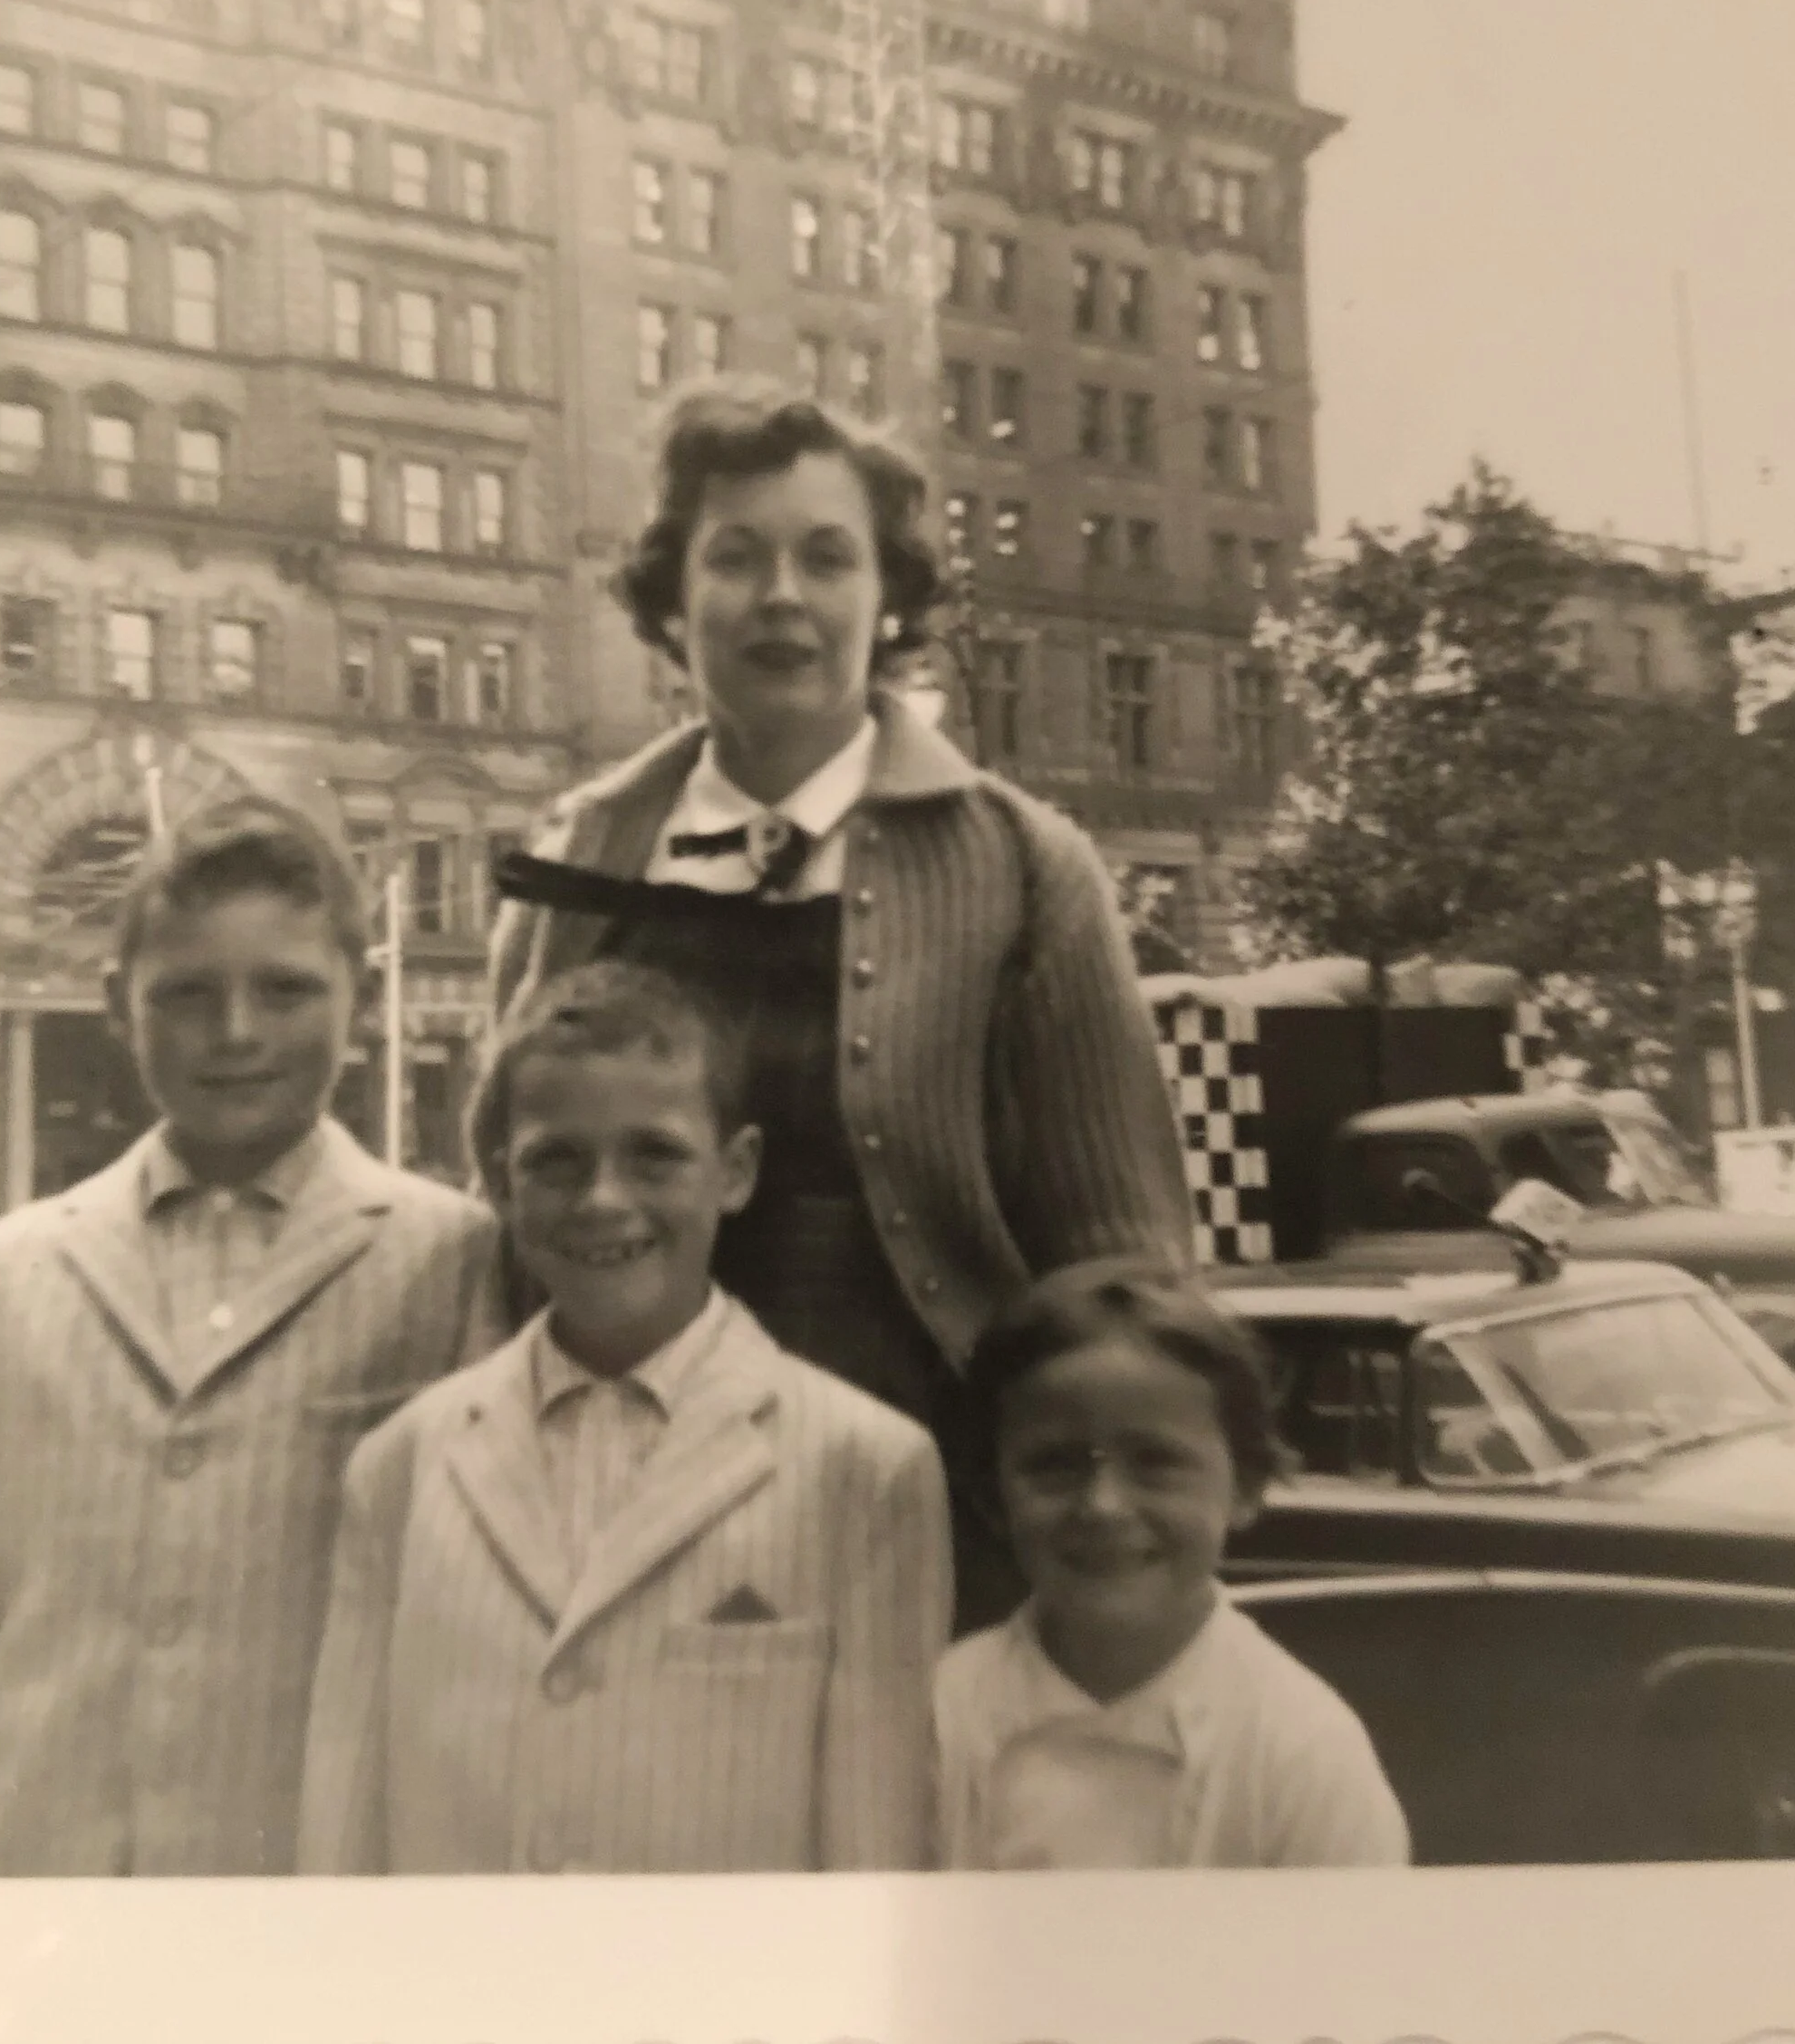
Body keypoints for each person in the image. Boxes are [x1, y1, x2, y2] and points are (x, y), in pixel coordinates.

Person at [491, 378, 1190, 1628]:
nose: (781, 598)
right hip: (618, 1502)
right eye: (734, 557)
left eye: (827, 558)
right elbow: (505, 1212)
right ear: (670, 600)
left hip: (936, 1511)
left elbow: (1122, 1265)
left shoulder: (1023, 865)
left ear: (887, 599)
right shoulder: (580, 854)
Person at [0, 797, 503, 1876]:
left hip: (308, 1901)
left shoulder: (454, 1259)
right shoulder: (1, 1275)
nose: (237, 1033)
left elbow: (481, 1649)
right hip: (35, 1899)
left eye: (286, 990)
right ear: (117, 1008)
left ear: (364, 998)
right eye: (186, 994)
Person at [296, 959, 951, 1873]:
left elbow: (875, 1851)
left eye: (654, 1154)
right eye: (556, 1161)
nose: (604, 1198)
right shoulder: (400, 1465)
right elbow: (342, 1835)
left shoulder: (863, 1466)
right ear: (498, 1178)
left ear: (734, 1170)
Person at [933, 1262, 1409, 1869]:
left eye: (1155, 1461)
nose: (1103, 1505)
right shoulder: (941, 1717)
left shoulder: (1301, 1749)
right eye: (1055, 1464)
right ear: (992, 1495)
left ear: (1246, 1485)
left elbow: (1360, 1958)